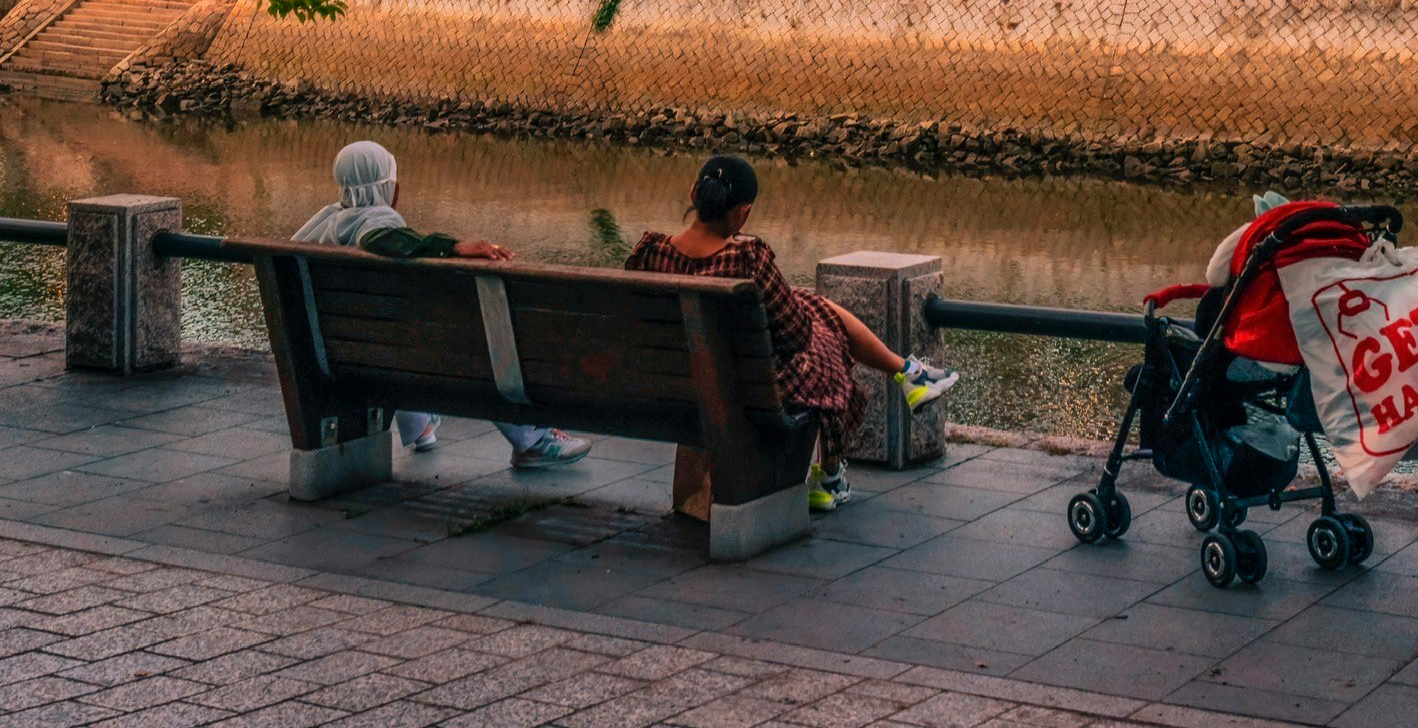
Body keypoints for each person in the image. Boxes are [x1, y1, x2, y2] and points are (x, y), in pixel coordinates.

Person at [626, 153, 958, 512]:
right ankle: (831, 474)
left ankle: (908, 374)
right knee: (826, 345)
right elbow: (797, 336)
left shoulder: (648, 252)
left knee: (810, 304)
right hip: (740, 389)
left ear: (694, 194)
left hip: (666, 387)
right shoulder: (747, 260)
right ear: (743, 212)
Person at [292, 142, 591, 470]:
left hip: (341, 355)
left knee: (389, 342)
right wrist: (456, 246)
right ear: (386, 186)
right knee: (474, 349)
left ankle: (420, 427)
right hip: (387, 353)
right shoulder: (376, 220)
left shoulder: (325, 223)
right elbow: (382, 237)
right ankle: (531, 440)